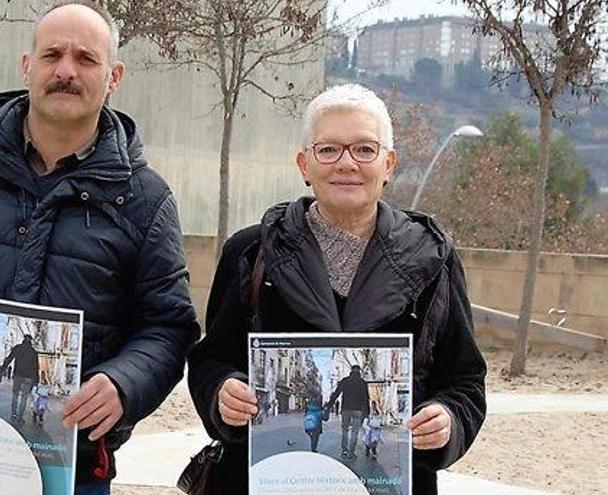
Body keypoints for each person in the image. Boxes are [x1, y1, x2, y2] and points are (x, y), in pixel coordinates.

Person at [0, 1, 199, 492]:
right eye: (52, 55)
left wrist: (123, 385)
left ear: (114, 76)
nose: (66, 71)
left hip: (76, 460)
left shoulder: (146, 198)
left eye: (86, 59)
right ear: (27, 66)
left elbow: (166, 326)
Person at [187, 83, 487, 495]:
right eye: (328, 150)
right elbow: (211, 359)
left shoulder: (432, 259)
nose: (346, 163)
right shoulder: (251, 252)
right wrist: (223, 393)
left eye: (364, 149)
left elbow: (464, 379)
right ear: (304, 164)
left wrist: (447, 420)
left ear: (389, 164)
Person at [325, 364, 370, 459]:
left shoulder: (345, 381)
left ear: (351, 371)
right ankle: (351, 452)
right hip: (358, 410)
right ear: (359, 371)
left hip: (346, 409)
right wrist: (367, 412)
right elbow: (366, 399)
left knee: (345, 430)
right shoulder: (363, 383)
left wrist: (329, 405)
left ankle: (344, 450)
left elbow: (336, 394)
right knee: (355, 431)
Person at [0, 334, 40, 423]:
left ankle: (13, 414)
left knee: (15, 395)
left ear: (23, 339)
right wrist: (36, 380)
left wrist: (2, 370)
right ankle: (20, 417)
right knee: (24, 397)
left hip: (18, 375)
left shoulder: (17, 348)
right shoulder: (33, 352)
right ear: (31, 341)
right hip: (29, 378)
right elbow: (36, 367)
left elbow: (9, 359)